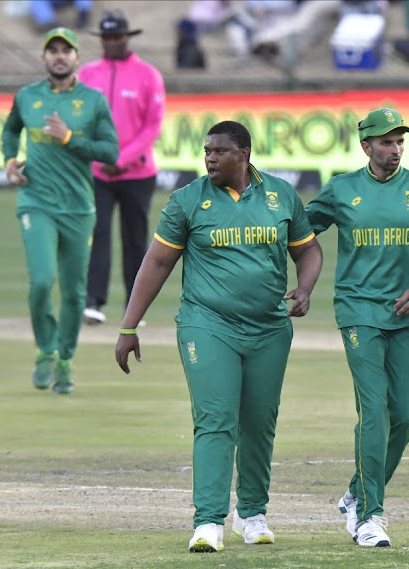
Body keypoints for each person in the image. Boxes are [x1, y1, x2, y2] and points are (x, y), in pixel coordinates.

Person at [115, 121, 323, 553]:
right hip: (207, 325)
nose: (209, 157)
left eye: (218, 151)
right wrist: (128, 325)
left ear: (243, 153)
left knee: (259, 423)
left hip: (269, 328)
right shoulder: (187, 201)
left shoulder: (280, 195)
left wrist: (304, 288)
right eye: (206, 151)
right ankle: (208, 521)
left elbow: (307, 249)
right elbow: (156, 264)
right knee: (215, 419)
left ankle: (252, 514)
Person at [305, 108, 409, 547]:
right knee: (373, 412)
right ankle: (371, 516)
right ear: (366, 147)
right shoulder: (342, 189)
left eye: (400, 143)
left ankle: (356, 492)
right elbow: (299, 231)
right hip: (358, 313)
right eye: (386, 143)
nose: (394, 150)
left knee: (405, 416)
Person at [1, 27, 118, 394]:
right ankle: (44, 349)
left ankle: (64, 360)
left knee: (72, 293)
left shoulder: (94, 101)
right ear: (44, 58)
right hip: (36, 202)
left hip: (79, 209)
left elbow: (110, 153)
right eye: (52, 50)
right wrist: (8, 160)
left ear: (77, 57)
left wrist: (70, 138)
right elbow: (10, 131)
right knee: (40, 282)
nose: (59, 56)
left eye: (66, 50)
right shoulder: (27, 97)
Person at [78, 10, 166, 326]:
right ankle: (93, 302)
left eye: (117, 36)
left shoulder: (147, 75)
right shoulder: (88, 74)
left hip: (137, 173)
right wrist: (101, 156)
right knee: (97, 233)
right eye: (106, 37)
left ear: (127, 37)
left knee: (135, 239)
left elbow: (152, 125)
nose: (112, 42)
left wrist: (123, 158)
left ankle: (134, 305)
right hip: (99, 171)